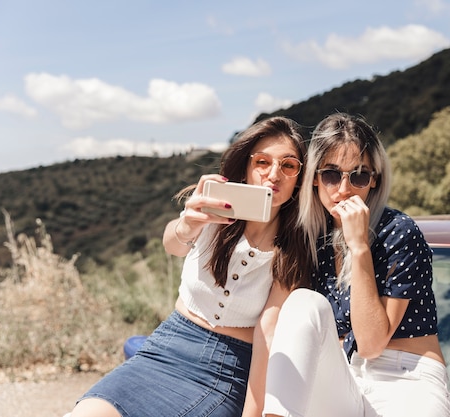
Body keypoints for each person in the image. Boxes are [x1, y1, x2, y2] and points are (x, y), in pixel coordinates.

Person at [67, 116, 310, 417]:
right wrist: (188, 224)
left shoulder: (296, 246)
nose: (274, 174)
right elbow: (173, 245)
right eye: (262, 162)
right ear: (247, 167)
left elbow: (267, 334)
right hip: (168, 344)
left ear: (300, 176)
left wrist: (253, 412)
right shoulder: (215, 209)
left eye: (288, 165)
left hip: (227, 369)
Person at [262, 113, 450, 417]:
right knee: (301, 303)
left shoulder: (399, 232)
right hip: (341, 374)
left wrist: (359, 246)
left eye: (359, 175)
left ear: (374, 179)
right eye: (331, 174)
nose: (344, 188)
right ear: (314, 177)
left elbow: (371, 344)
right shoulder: (312, 238)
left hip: (405, 375)